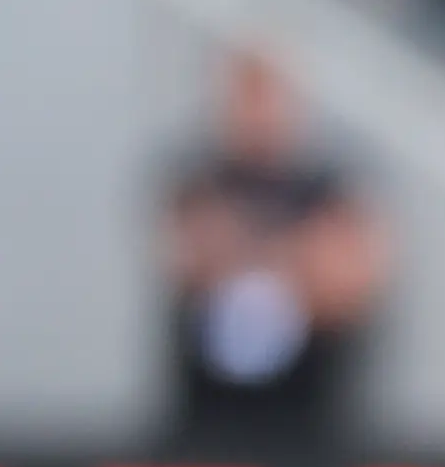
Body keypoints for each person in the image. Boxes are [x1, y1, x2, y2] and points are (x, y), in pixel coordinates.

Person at [162, 46, 388, 446]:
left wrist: (256, 253)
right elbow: (188, 258)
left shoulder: (330, 188)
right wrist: (290, 256)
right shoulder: (198, 181)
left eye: (268, 95)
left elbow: (348, 282)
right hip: (210, 415)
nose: (258, 113)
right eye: (247, 95)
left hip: (311, 412)